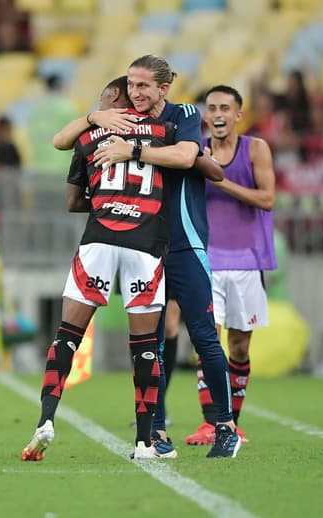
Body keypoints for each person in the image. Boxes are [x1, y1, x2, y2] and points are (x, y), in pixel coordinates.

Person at [85, 56, 242, 458]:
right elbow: (70, 137)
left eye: (143, 86)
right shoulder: (127, 122)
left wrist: (132, 151)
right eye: (131, 86)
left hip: (185, 243)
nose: (135, 93)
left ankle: (225, 426)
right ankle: (154, 431)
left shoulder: (185, 113)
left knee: (204, 336)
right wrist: (93, 116)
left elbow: (187, 156)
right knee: (146, 342)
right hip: (143, 248)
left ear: (163, 88)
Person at [20, 75, 174, 461]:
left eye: (104, 100)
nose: (99, 107)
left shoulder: (88, 138)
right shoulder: (164, 133)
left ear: (117, 101)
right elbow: (188, 161)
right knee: (143, 349)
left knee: (67, 336)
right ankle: (143, 442)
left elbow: (72, 200)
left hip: (99, 241)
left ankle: (46, 421)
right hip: (144, 245)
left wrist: (108, 200)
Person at [180, 85, 276, 446]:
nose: (217, 114)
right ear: (205, 115)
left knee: (239, 347)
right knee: (208, 342)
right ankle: (211, 423)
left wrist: (221, 178)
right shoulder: (195, 150)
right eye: (212, 108)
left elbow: (267, 199)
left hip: (248, 262)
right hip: (206, 260)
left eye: (225, 108)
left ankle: (232, 423)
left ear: (238, 114)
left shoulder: (256, 149)